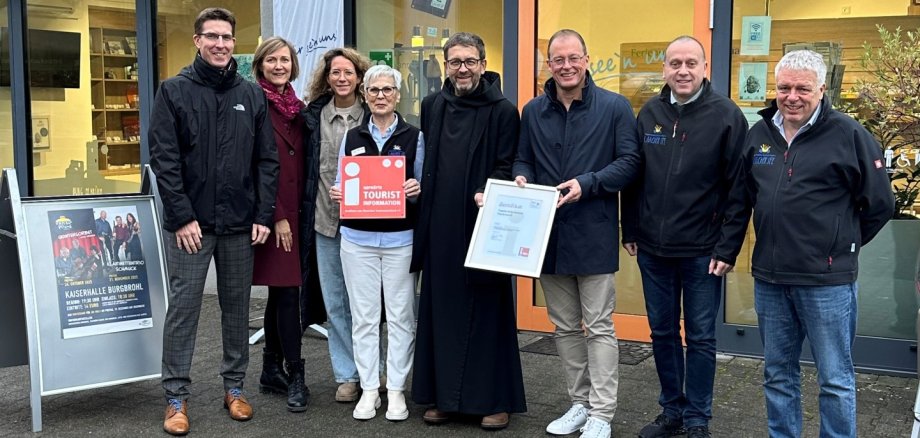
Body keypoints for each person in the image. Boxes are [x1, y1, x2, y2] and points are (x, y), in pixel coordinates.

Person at [713, 50, 895, 437]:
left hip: (827, 282)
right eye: (783, 87)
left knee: (835, 379)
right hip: (771, 279)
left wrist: (844, 244)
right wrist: (726, 250)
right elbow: (740, 198)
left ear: (822, 89)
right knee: (778, 374)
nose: (791, 96)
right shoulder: (759, 134)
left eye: (802, 88)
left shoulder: (848, 134)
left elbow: (880, 203)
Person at [149, 7, 279, 436]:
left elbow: (266, 160)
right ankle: (175, 396)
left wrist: (262, 214)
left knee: (236, 308)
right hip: (192, 227)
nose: (221, 44)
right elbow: (164, 161)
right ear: (197, 41)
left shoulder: (252, 94)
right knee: (184, 310)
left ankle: (235, 388)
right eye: (213, 36)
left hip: (240, 224)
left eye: (227, 37)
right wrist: (182, 216)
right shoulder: (173, 92)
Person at [513, 29, 639, 438]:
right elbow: (523, 158)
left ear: (586, 59)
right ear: (548, 65)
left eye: (573, 58)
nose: (566, 66)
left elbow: (630, 163)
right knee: (564, 327)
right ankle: (579, 404)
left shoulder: (615, 107)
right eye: (557, 59)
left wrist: (589, 182)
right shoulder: (533, 111)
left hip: (593, 230)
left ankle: (602, 412)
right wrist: (520, 177)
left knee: (599, 325)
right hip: (546, 234)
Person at [621, 36, 748, 438]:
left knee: (701, 337)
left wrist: (727, 247)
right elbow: (633, 176)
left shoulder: (727, 116)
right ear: (664, 70)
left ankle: (697, 419)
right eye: (675, 63)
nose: (683, 71)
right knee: (661, 333)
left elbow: (739, 191)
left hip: (702, 252)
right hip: (653, 251)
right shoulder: (650, 114)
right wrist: (631, 227)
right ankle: (671, 410)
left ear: (705, 67)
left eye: (691, 63)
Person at [411, 32, 525, 431]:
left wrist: (486, 189)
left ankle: (493, 400)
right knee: (442, 308)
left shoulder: (504, 111)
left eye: (470, 61)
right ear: (446, 65)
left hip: (483, 224)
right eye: (455, 61)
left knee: (487, 311)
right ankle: (445, 398)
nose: (462, 68)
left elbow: (507, 163)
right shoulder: (432, 105)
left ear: (482, 63)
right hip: (441, 223)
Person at [329, 65, 424, 422]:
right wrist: (339, 192)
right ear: (364, 95)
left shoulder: (415, 136)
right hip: (357, 240)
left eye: (387, 90)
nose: (380, 96)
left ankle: (396, 389)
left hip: (401, 239)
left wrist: (417, 190)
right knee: (365, 318)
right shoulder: (351, 137)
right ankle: (370, 389)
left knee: (401, 317)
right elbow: (341, 182)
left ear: (398, 95)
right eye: (374, 90)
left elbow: (424, 184)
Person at [301, 47, 370, 403]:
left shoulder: (375, 115)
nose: (342, 78)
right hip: (324, 223)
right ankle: (347, 375)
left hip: (368, 228)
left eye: (348, 72)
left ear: (360, 77)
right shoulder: (313, 117)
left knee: (371, 304)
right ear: (326, 78)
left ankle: (375, 370)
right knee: (336, 303)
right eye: (335, 72)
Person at [249, 36, 309, 413]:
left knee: (280, 292)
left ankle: (271, 368)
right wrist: (278, 216)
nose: (279, 66)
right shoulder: (254, 103)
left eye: (284, 60)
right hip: (276, 215)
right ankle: (296, 372)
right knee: (288, 294)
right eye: (271, 60)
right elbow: (254, 166)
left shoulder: (297, 107)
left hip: (300, 213)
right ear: (260, 64)